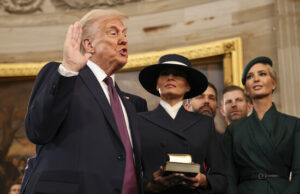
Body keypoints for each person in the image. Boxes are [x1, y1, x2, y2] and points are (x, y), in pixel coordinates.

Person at [23, 9, 143, 194]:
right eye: (113, 33)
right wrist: (69, 69)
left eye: (124, 33)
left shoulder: (128, 103)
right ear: (89, 44)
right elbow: (37, 130)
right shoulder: (63, 76)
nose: (123, 39)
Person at [138, 54, 227, 194]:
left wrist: (203, 180)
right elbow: (127, 175)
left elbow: (221, 177)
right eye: (165, 73)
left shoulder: (204, 123)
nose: (170, 77)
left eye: (178, 74)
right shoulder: (137, 121)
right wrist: (149, 186)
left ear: (188, 86)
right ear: (157, 84)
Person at [224, 56, 300, 194]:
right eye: (250, 77)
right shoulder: (234, 130)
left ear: (274, 83)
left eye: (262, 74)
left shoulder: (294, 125)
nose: (256, 79)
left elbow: (299, 174)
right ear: (246, 88)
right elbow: (229, 177)